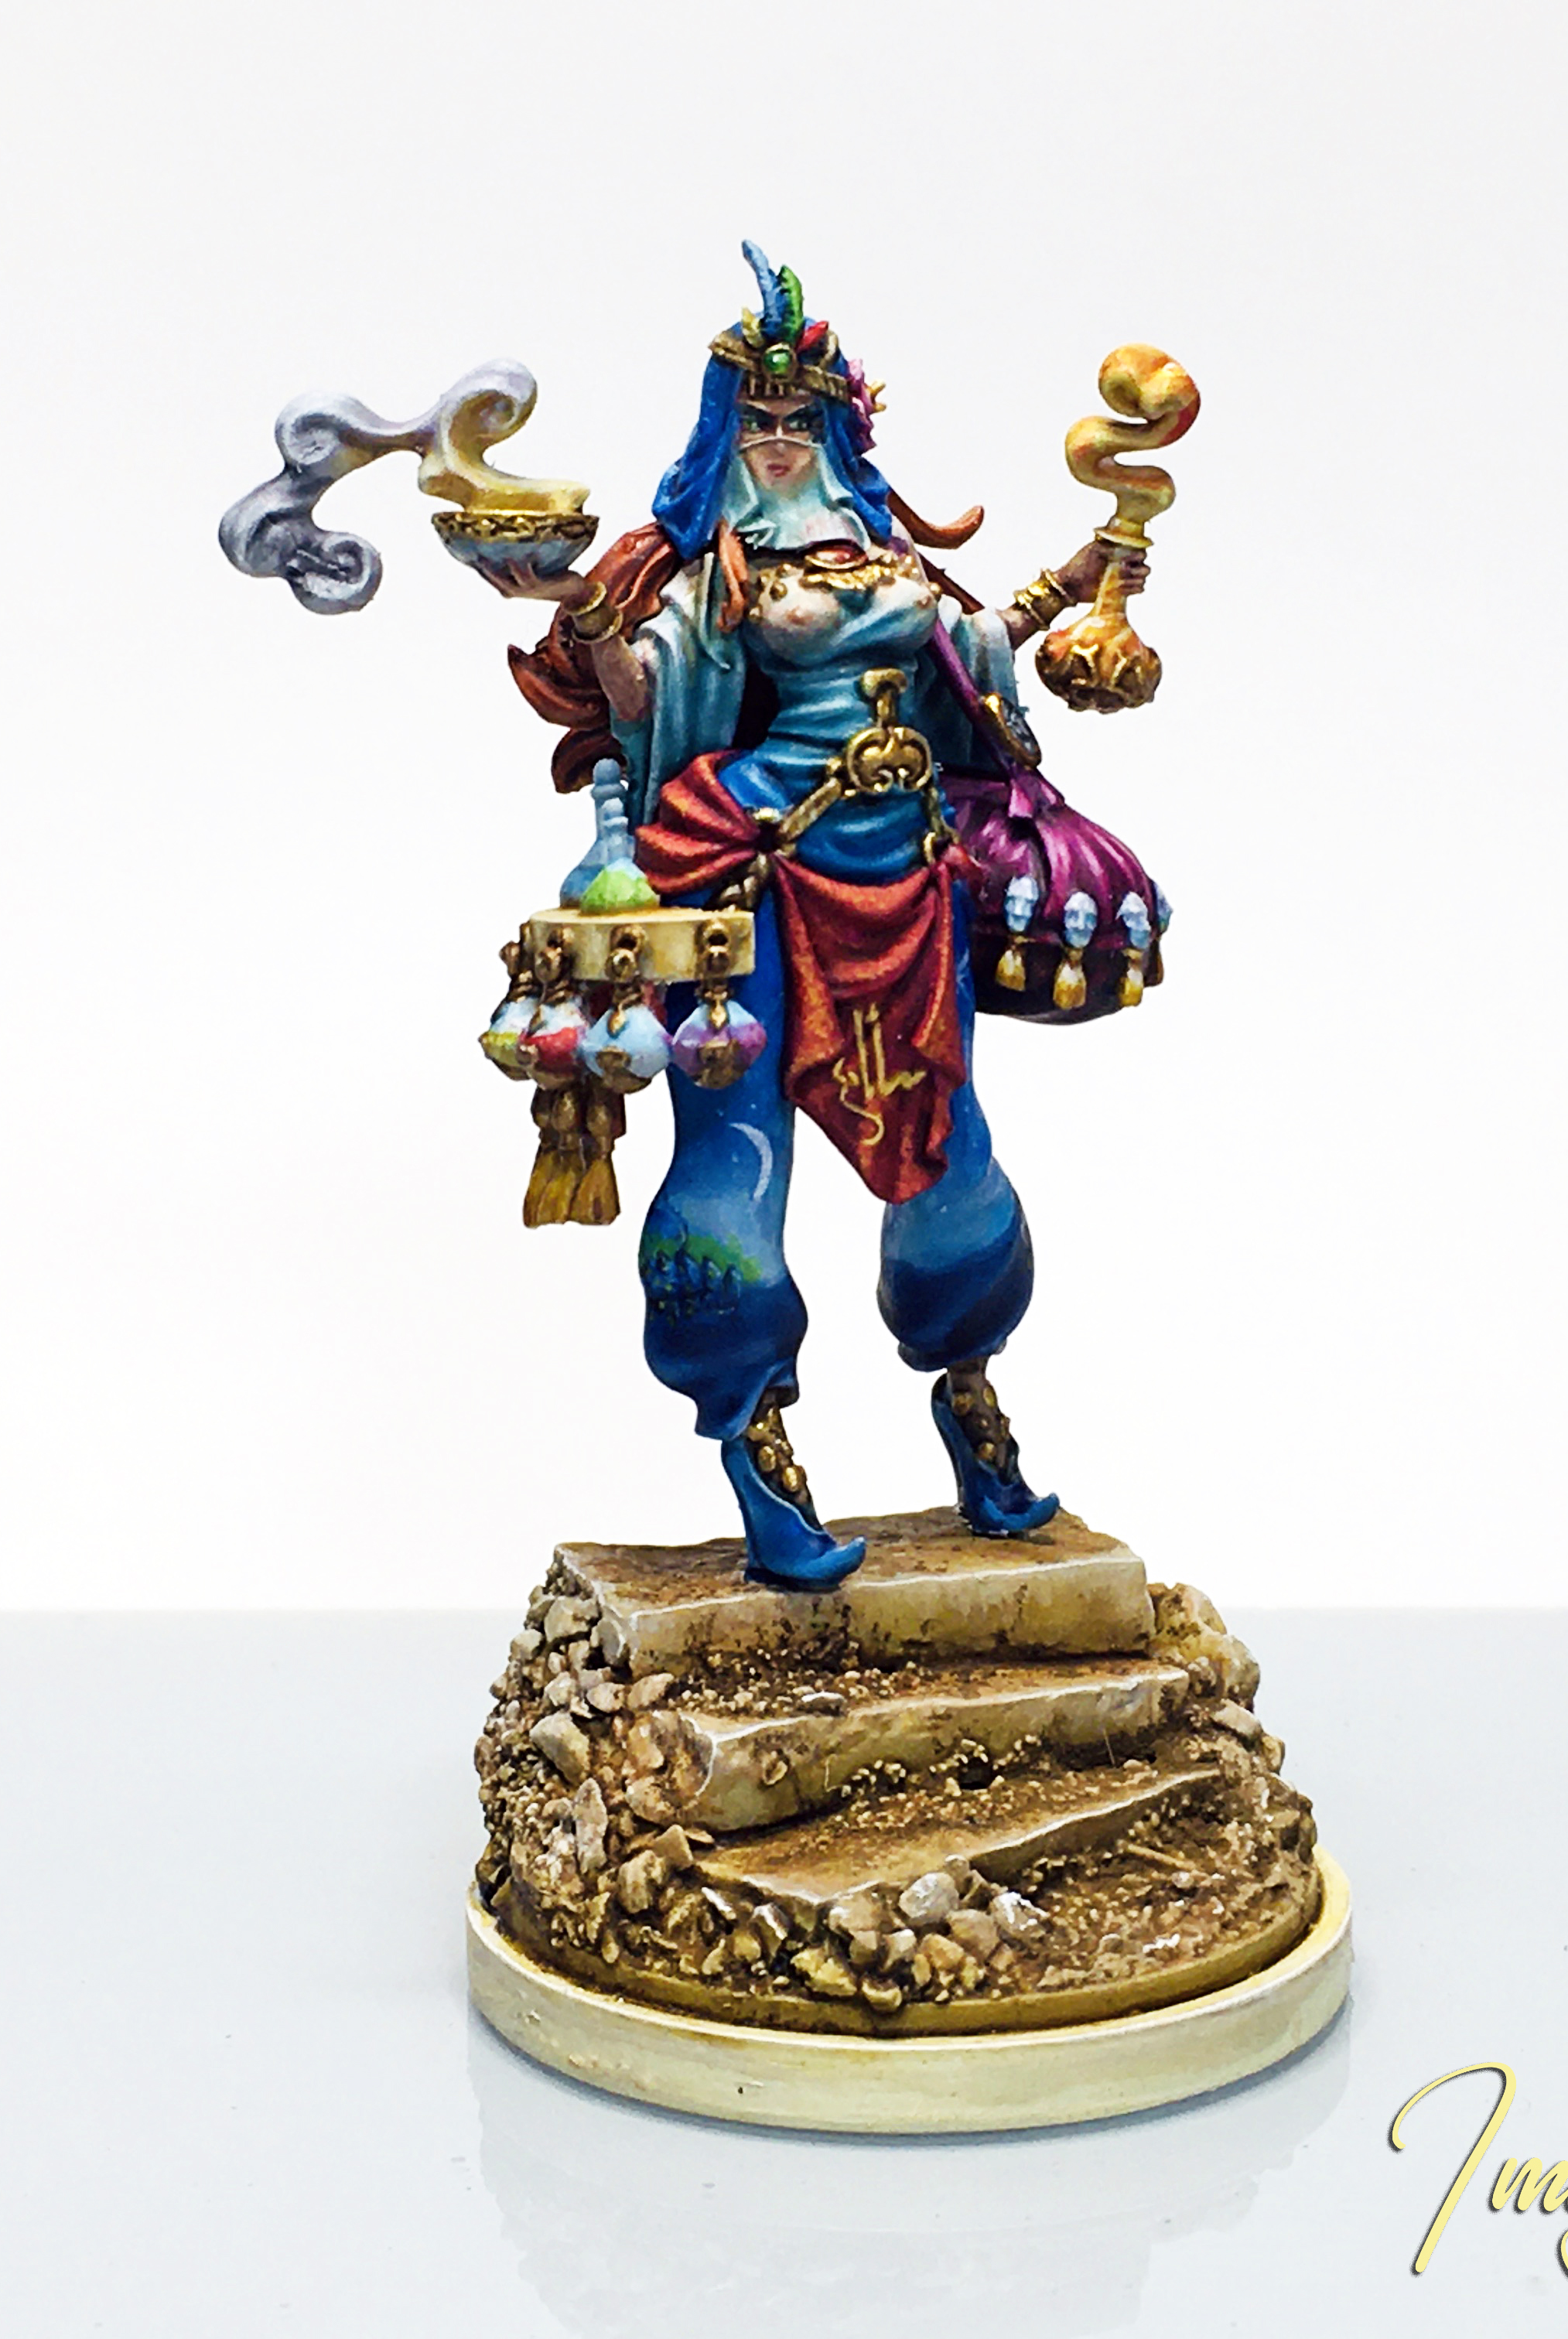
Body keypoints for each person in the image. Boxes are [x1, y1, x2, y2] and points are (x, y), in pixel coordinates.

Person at [493, 245, 1154, 1586]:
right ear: (727, 434)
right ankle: (756, 1444)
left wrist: (1094, 565)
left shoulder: (889, 557)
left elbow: (970, 650)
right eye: (760, 420)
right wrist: (580, 607)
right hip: (753, 870)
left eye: (802, 418)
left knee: (954, 1158)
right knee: (735, 1162)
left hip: (911, 876)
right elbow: (645, 700)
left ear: (840, 428)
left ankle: (971, 1396)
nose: (782, 440)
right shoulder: (715, 573)